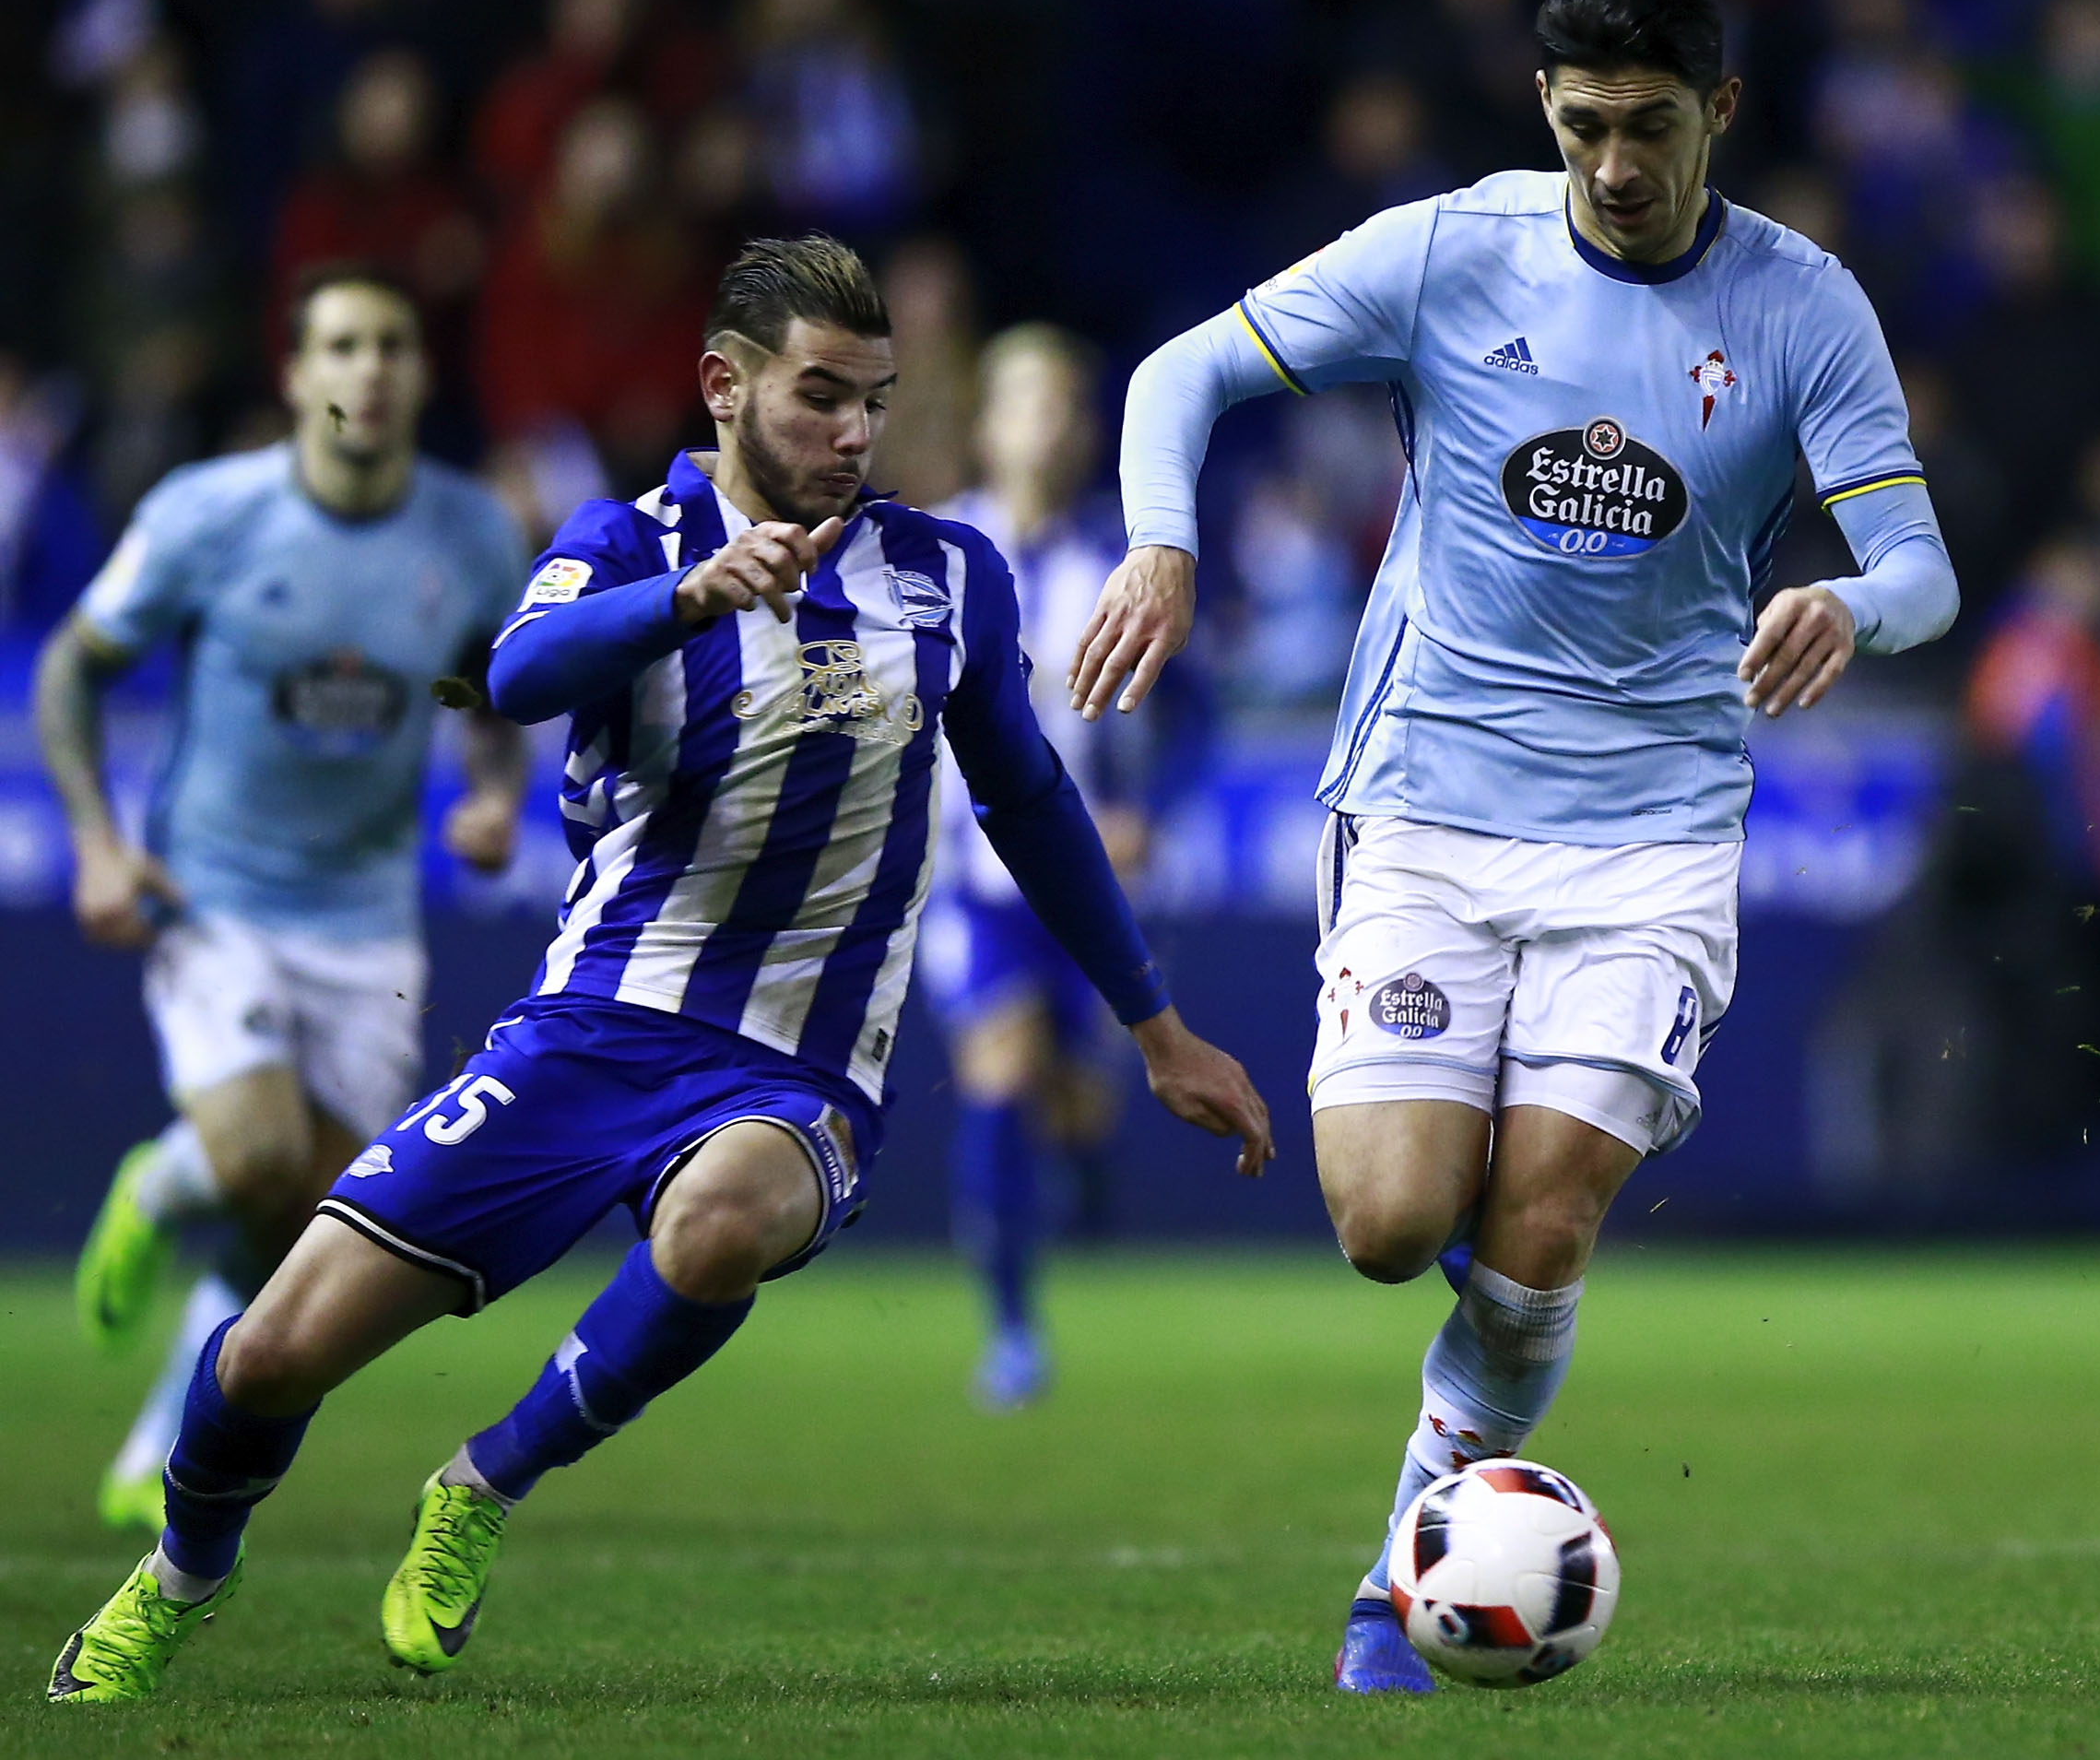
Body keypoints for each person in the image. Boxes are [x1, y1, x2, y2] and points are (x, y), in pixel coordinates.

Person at [47, 235, 1272, 1705]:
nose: (854, 434)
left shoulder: (949, 576)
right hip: (590, 1032)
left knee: (720, 1224)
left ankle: (485, 1485)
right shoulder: (627, 543)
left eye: (875, 401)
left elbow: (1028, 801)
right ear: (723, 387)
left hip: (798, 1065)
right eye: (821, 397)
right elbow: (513, 673)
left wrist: (1157, 1027)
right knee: (271, 1356)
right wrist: (692, 604)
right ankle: (178, 1576)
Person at [1071, 0, 1957, 1693]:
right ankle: (1467, 1445)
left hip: (1654, 832)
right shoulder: (1450, 252)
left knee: (1540, 1223)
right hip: (1424, 804)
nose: (1613, 166)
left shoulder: (1803, 307)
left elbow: (1923, 560)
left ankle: (1408, 1553)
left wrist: (1852, 606)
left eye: (1645, 126)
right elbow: (1177, 374)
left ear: (1720, 109)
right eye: (1579, 129)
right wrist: (1164, 538)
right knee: (1395, 1224)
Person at [40, 266, 528, 1539]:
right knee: (254, 1157)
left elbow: (486, 696)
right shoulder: (208, 515)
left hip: (369, 921)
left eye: (393, 345)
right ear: (299, 373)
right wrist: (97, 842)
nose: (368, 369)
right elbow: (71, 669)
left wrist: (487, 791)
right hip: (217, 891)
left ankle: (162, 1430)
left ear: (421, 374)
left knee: (307, 1221)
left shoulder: (476, 535)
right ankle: (162, 1183)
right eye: (343, 346)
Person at [918, 324, 1149, 1410]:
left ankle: (1078, 1162)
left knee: (1072, 1109)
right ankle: (1011, 1332)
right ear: (985, 423)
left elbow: (1181, 710)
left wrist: (1144, 808)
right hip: (969, 884)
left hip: (1081, 886)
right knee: (1000, 1076)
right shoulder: (935, 550)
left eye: (1061, 405)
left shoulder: (1120, 556)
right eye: (1023, 403)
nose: (1043, 426)